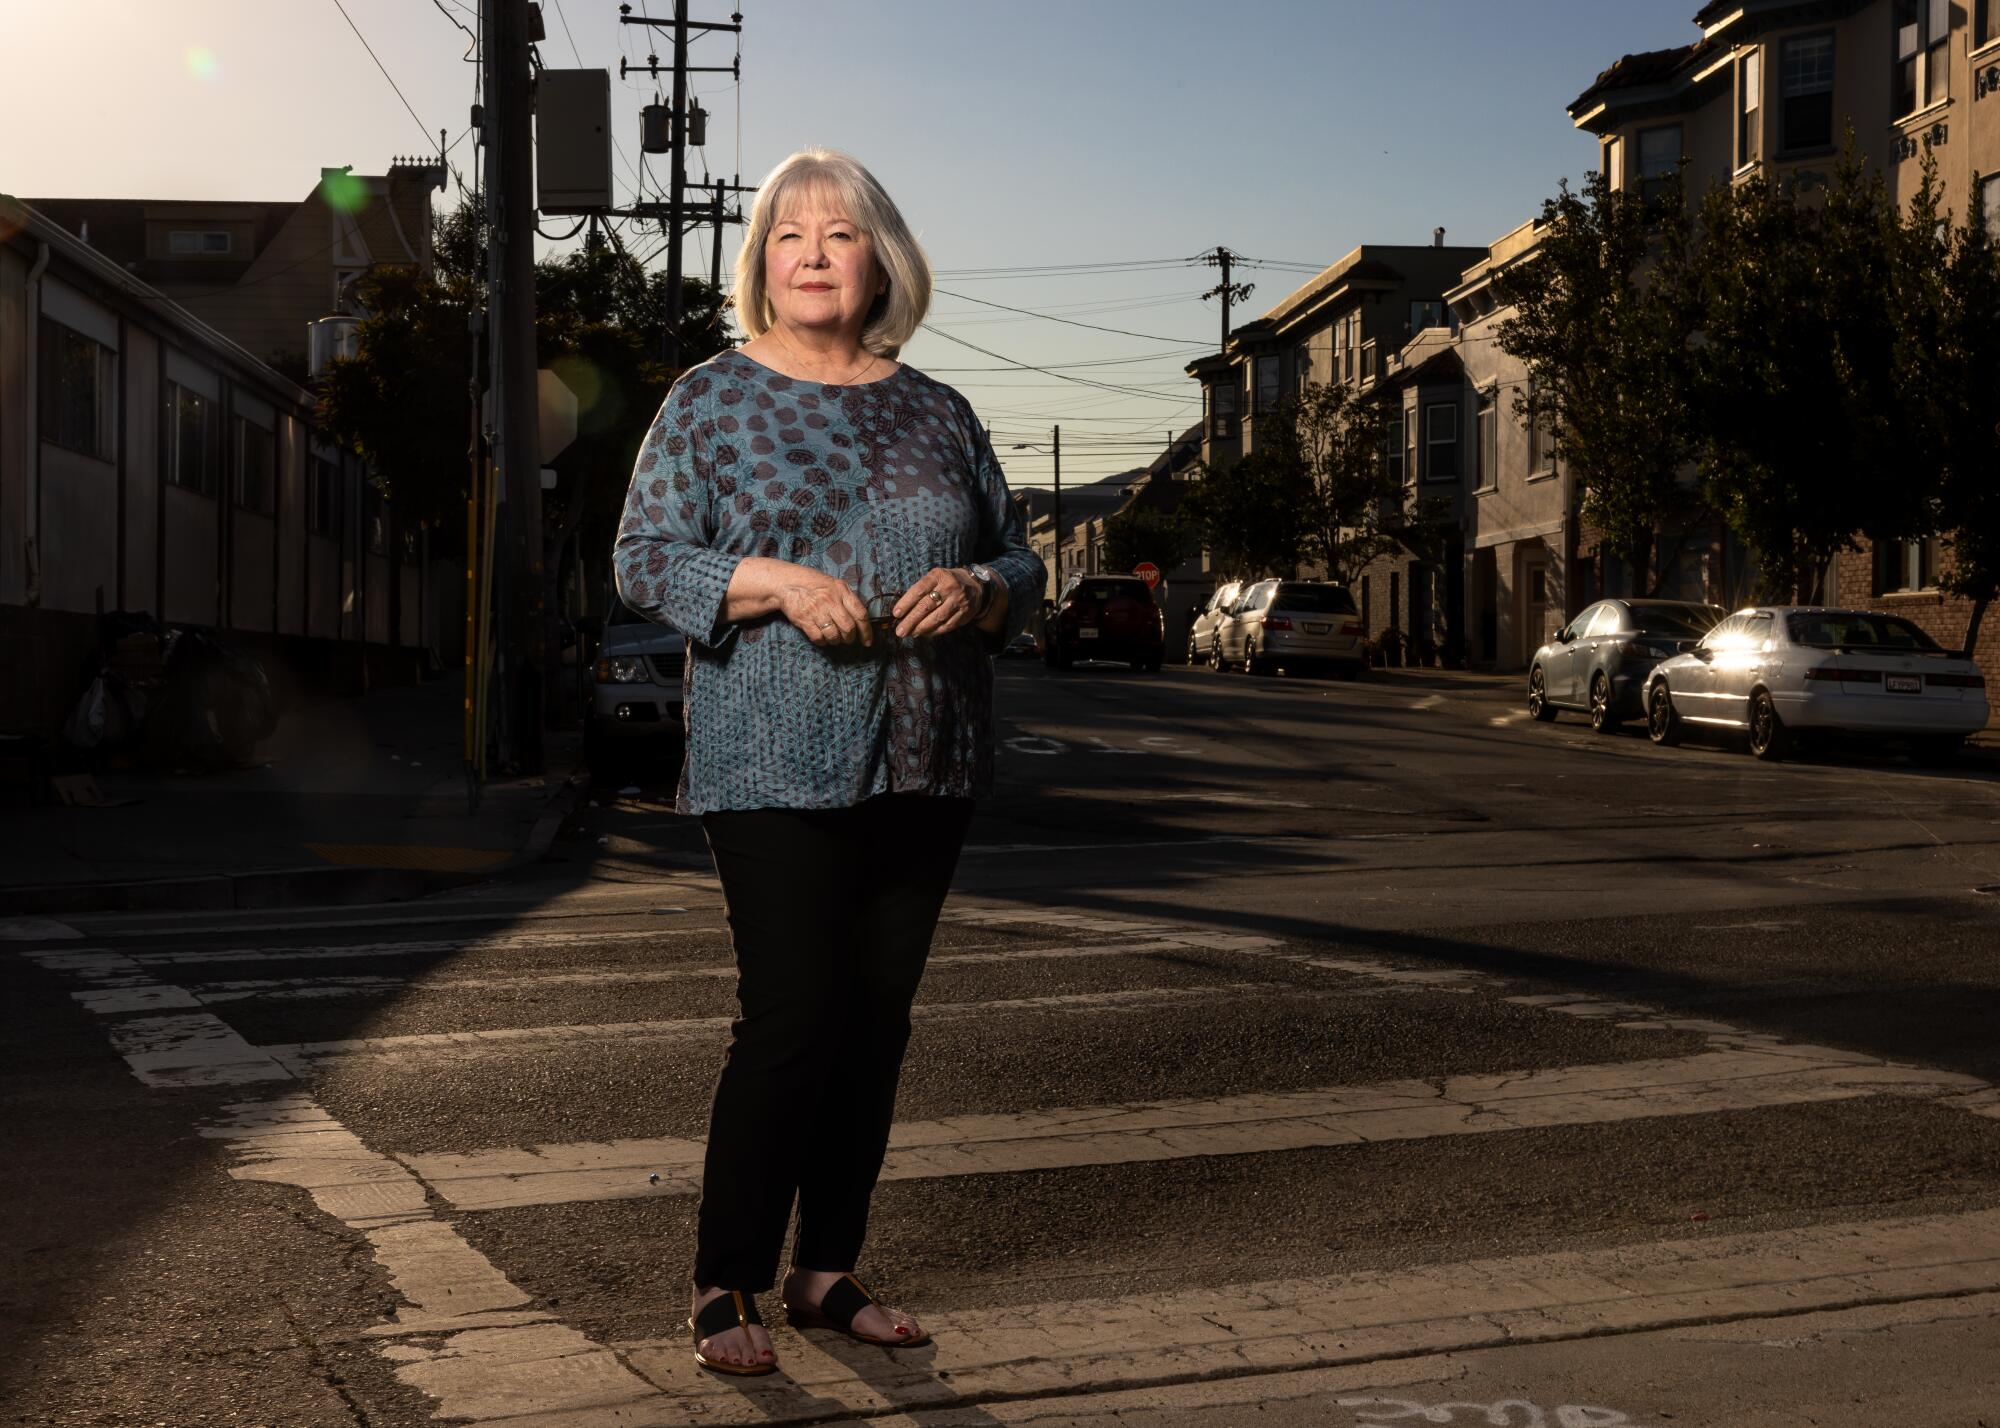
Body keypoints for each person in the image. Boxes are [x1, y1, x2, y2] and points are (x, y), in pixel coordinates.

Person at [612, 148, 1044, 1378]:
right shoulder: (708, 398)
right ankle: (726, 1277)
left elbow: (1020, 559)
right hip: (769, 750)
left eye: (838, 233)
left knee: (875, 1026)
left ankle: (823, 1270)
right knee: (793, 1016)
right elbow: (643, 558)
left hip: (928, 751)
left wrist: (976, 585)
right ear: (761, 262)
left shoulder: (937, 409)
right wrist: (771, 582)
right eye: (788, 234)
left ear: (879, 262)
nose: (810, 251)